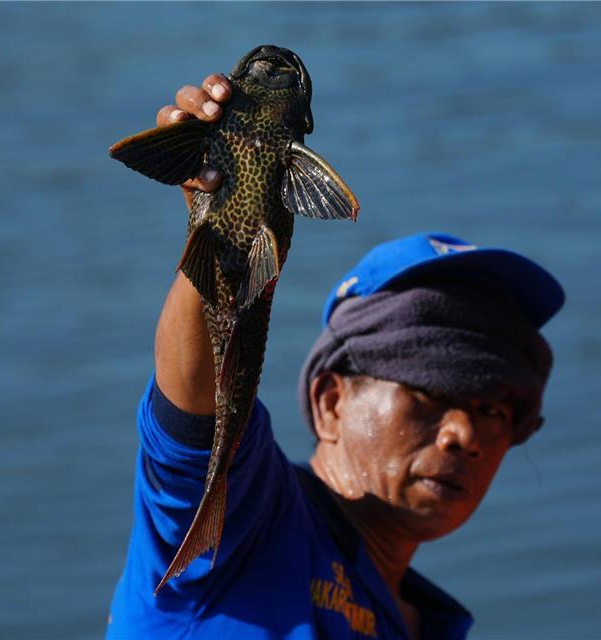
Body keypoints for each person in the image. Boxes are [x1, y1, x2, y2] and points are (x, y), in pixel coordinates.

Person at [106, 74, 565, 640]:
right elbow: (194, 416)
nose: (463, 434)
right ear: (330, 401)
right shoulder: (240, 520)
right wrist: (221, 212)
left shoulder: (432, 626)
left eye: (494, 410)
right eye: (430, 393)